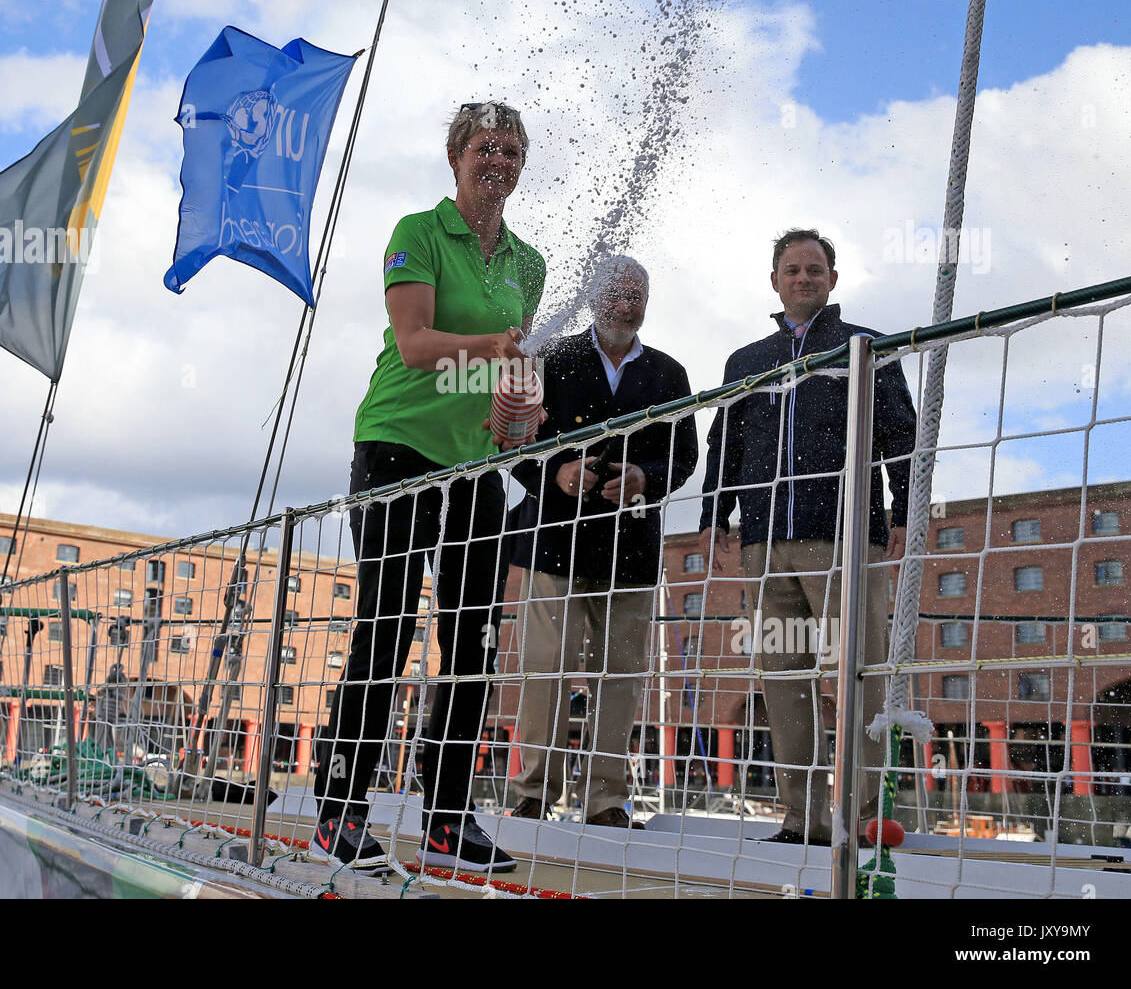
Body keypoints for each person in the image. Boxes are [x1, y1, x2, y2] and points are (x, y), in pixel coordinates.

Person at [310, 102, 546, 875]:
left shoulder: (527, 265)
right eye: (486, 146)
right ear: (456, 155)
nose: (499, 159)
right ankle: (340, 812)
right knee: (384, 629)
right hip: (397, 450)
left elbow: (502, 379)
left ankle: (447, 818)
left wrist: (521, 417)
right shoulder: (417, 233)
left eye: (511, 149)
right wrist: (491, 346)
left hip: (476, 467)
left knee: (473, 640)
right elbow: (415, 348)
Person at [697, 229, 916, 846]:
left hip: (846, 537)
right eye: (791, 269)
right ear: (774, 281)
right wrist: (716, 510)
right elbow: (726, 441)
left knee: (860, 669)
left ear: (832, 280)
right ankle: (804, 818)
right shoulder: (746, 363)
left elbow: (900, 433)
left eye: (814, 269)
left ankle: (864, 812)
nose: (803, 278)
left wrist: (903, 508)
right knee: (783, 679)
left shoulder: (866, 348)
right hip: (765, 543)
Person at [508, 256, 698, 828]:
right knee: (545, 668)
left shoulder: (670, 374)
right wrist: (558, 474)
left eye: (638, 294)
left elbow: (683, 456)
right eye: (617, 292)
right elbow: (514, 437)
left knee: (620, 676)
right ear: (594, 297)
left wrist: (647, 478)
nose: (627, 303)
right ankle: (534, 792)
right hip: (554, 544)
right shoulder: (552, 359)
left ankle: (606, 799)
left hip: (632, 550)